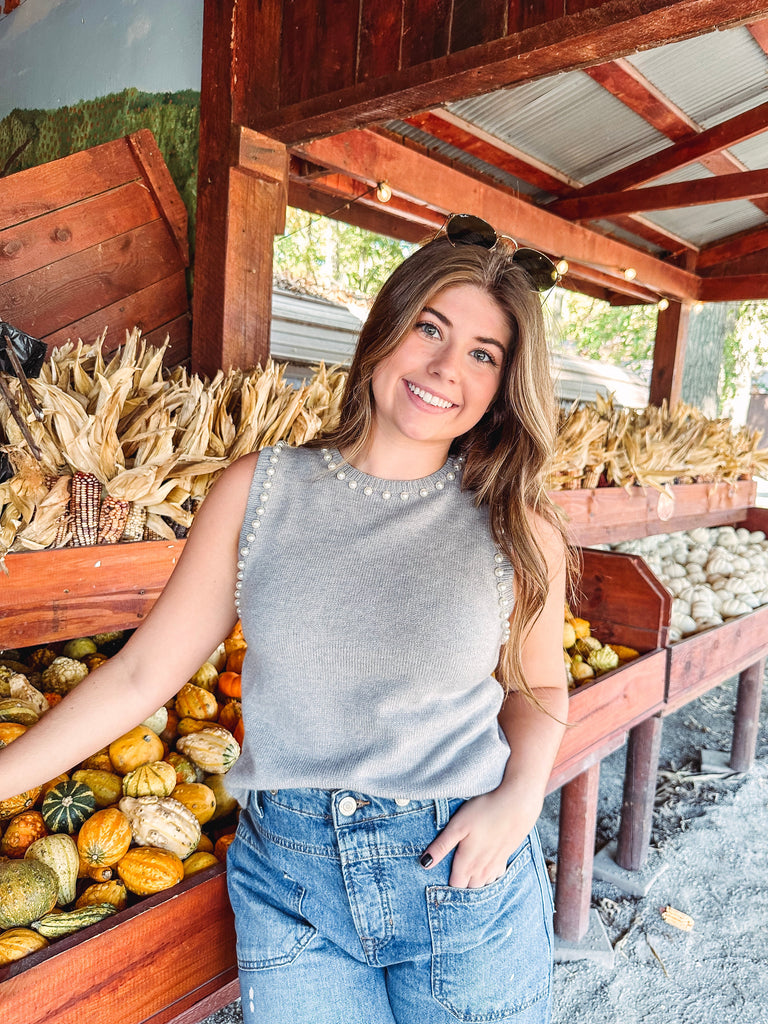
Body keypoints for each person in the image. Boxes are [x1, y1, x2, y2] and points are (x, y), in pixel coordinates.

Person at [0, 214, 572, 1024]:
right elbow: (139, 677)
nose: (447, 368)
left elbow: (541, 684)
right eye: (429, 329)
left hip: (460, 873)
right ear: (384, 330)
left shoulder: (515, 521)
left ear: (503, 384)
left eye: (484, 353)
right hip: (292, 881)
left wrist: (518, 801)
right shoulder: (259, 491)